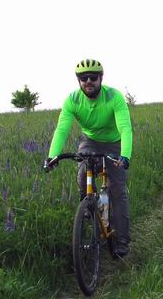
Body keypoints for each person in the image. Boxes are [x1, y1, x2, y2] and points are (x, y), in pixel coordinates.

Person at [44, 59, 133, 259]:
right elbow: (62, 129)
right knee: (84, 171)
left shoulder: (114, 97)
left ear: (101, 78)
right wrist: (52, 156)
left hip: (114, 142)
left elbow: (125, 128)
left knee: (118, 191)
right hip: (90, 140)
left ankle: (122, 240)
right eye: (83, 78)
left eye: (93, 77)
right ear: (78, 81)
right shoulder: (73, 100)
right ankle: (88, 207)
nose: (88, 81)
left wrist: (125, 156)